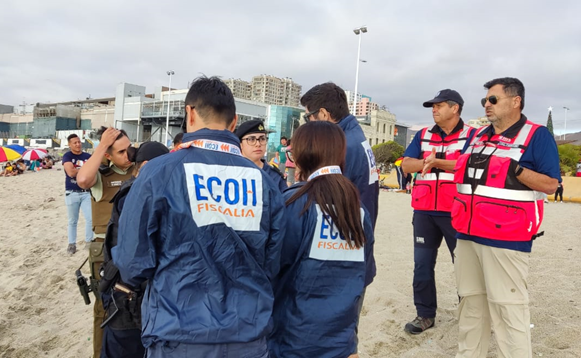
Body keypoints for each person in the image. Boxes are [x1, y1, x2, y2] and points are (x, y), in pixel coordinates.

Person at [113, 76, 285, 358]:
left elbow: (133, 262)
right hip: (247, 335)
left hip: (177, 334)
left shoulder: (158, 173)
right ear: (234, 122)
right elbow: (274, 260)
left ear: (189, 113)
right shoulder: (265, 182)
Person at [452, 77, 560, 357]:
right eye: (484, 100)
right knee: (470, 307)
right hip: (467, 235)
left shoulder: (536, 136)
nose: (486, 105)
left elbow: (551, 184)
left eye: (493, 99)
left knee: (508, 310)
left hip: (506, 239)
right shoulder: (476, 137)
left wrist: (515, 170)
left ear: (516, 102)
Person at [268, 121, 375, 358]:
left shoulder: (294, 206)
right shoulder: (357, 211)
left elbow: (271, 269)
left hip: (292, 340)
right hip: (340, 339)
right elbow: (364, 274)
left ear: (299, 156)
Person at [401, 89, 476, 334]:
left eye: (439, 105)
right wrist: (426, 162)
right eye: (432, 106)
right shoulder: (422, 135)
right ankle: (424, 315)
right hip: (424, 211)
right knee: (422, 265)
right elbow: (406, 165)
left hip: (459, 211)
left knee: (465, 266)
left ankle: (471, 315)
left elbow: (472, 165)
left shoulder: (473, 135)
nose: (433, 109)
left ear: (455, 108)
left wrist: (437, 162)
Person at [99, 141, 169, 358]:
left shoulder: (138, 190)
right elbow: (133, 256)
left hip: (131, 293)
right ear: (146, 165)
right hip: (129, 295)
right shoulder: (136, 195)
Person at [77, 126, 134, 358]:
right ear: (108, 155)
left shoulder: (140, 168)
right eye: (121, 152)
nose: (128, 155)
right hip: (106, 252)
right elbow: (82, 179)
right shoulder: (102, 176)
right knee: (105, 310)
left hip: (136, 249)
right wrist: (101, 145)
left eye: (130, 148)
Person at [300, 82, 379, 228]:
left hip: (346, 232)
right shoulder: (354, 135)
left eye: (308, 117)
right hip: (361, 224)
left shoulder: (342, 145)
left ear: (323, 114)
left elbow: (327, 196)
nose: (308, 124)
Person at [235, 119, 287, 192]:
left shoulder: (275, 176)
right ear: (240, 144)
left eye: (262, 139)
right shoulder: (232, 171)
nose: (258, 144)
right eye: (251, 139)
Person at [62, 134, 93, 255]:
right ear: (70, 144)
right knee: (72, 220)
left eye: (79, 142)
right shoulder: (67, 156)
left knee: (90, 218)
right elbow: (70, 172)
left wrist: (79, 170)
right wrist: (86, 170)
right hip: (72, 191)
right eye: (74, 142)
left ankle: (89, 241)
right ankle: (72, 244)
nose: (78, 144)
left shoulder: (87, 156)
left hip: (86, 192)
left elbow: (94, 169)